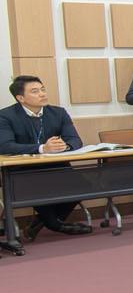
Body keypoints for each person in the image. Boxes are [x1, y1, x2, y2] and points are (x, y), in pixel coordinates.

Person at [0, 75, 91, 240]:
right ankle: (55, 225)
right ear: (20, 98)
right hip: (23, 170)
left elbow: (75, 140)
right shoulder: (6, 116)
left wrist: (63, 146)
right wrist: (42, 148)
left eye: (43, 89)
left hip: (56, 166)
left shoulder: (58, 113)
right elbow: (5, 146)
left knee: (84, 185)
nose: (42, 94)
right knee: (37, 187)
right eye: (35, 91)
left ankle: (42, 222)